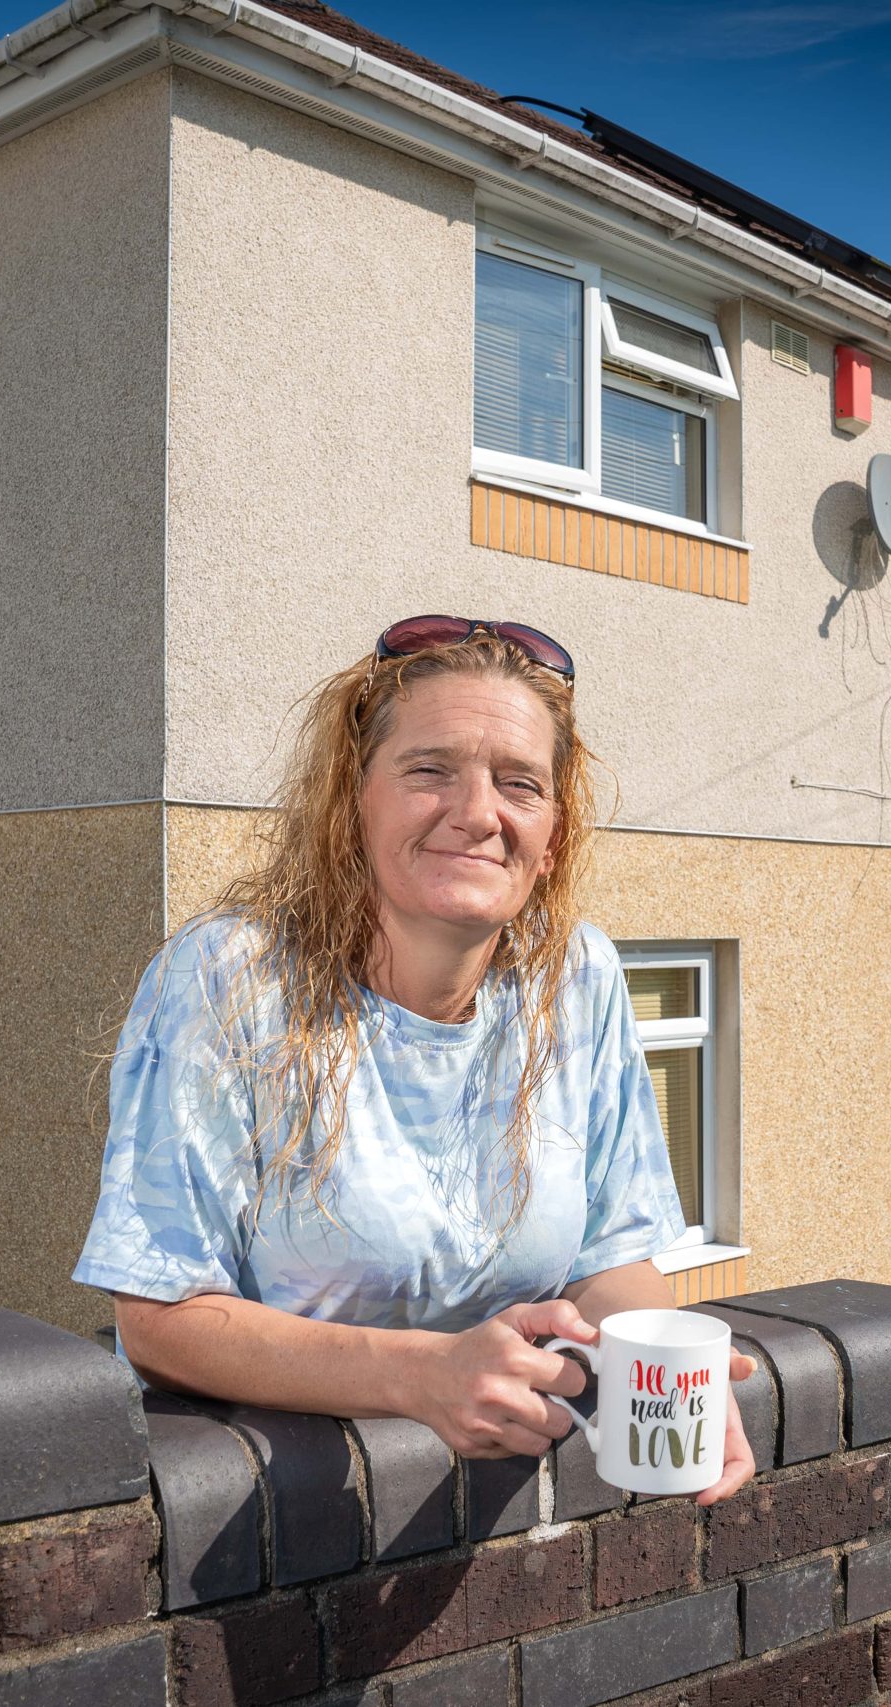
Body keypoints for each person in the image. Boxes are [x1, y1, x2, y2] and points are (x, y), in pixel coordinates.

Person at [74, 615, 754, 1504]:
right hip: (277, 1529)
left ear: (552, 835)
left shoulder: (577, 977)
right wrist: (421, 1374)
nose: (478, 814)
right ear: (353, 801)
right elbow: (160, 1318)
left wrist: (670, 1371)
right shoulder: (227, 979)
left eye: (520, 783)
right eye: (430, 770)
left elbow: (609, 1257)